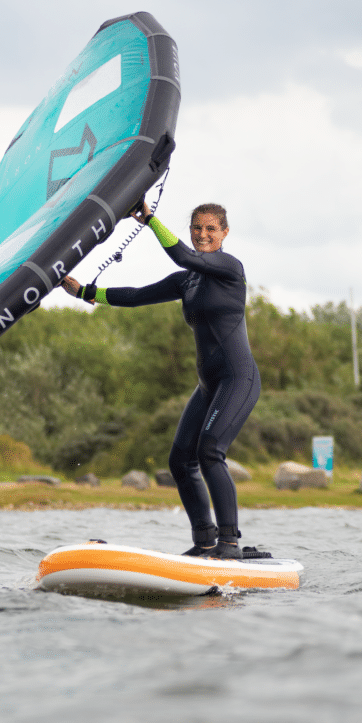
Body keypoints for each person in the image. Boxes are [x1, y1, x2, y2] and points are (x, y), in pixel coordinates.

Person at [61, 202, 261, 560]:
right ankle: (205, 541)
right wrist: (86, 293)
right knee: (180, 460)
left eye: (210, 228)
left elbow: (183, 256)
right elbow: (138, 296)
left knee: (209, 451)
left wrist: (150, 220)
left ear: (224, 233)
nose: (202, 235)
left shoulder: (230, 268)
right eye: (196, 228)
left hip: (237, 378)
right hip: (208, 386)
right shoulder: (188, 281)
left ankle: (229, 543)